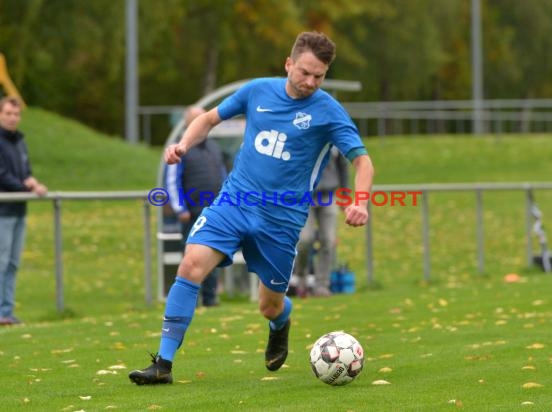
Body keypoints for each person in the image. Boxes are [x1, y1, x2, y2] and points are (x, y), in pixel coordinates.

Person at [129, 31, 374, 385]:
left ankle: (281, 321)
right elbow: (208, 120)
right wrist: (183, 144)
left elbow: (363, 162)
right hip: (234, 202)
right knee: (191, 265)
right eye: (304, 72)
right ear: (288, 64)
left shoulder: (328, 111)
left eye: (318, 76)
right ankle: (163, 363)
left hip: (281, 220)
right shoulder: (258, 90)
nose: (310, 82)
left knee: (269, 305)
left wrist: (361, 202)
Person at [164, 106, 227, 307]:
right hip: (192, 213)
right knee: (191, 258)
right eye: (196, 120)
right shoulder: (179, 148)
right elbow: (172, 181)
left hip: (214, 211)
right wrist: (180, 208)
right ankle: (188, 300)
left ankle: (210, 298)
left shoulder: (214, 147)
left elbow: (224, 176)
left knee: (213, 252)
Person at [0, 96, 48, 326]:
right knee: (1, 262)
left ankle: (6, 313)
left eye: (16, 114)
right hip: (3, 210)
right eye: (8, 113)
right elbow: (2, 175)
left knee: (12, 263)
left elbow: (25, 172)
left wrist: (33, 183)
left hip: (19, 209)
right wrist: (25, 187)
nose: (12, 118)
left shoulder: (20, 141)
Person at [293, 147, 348, 297]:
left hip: (329, 196)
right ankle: (301, 278)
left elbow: (342, 167)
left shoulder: (333, 137)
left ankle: (322, 285)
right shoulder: (302, 134)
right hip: (304, 196)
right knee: (305, 240)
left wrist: (345, 194)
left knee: (328, 241)